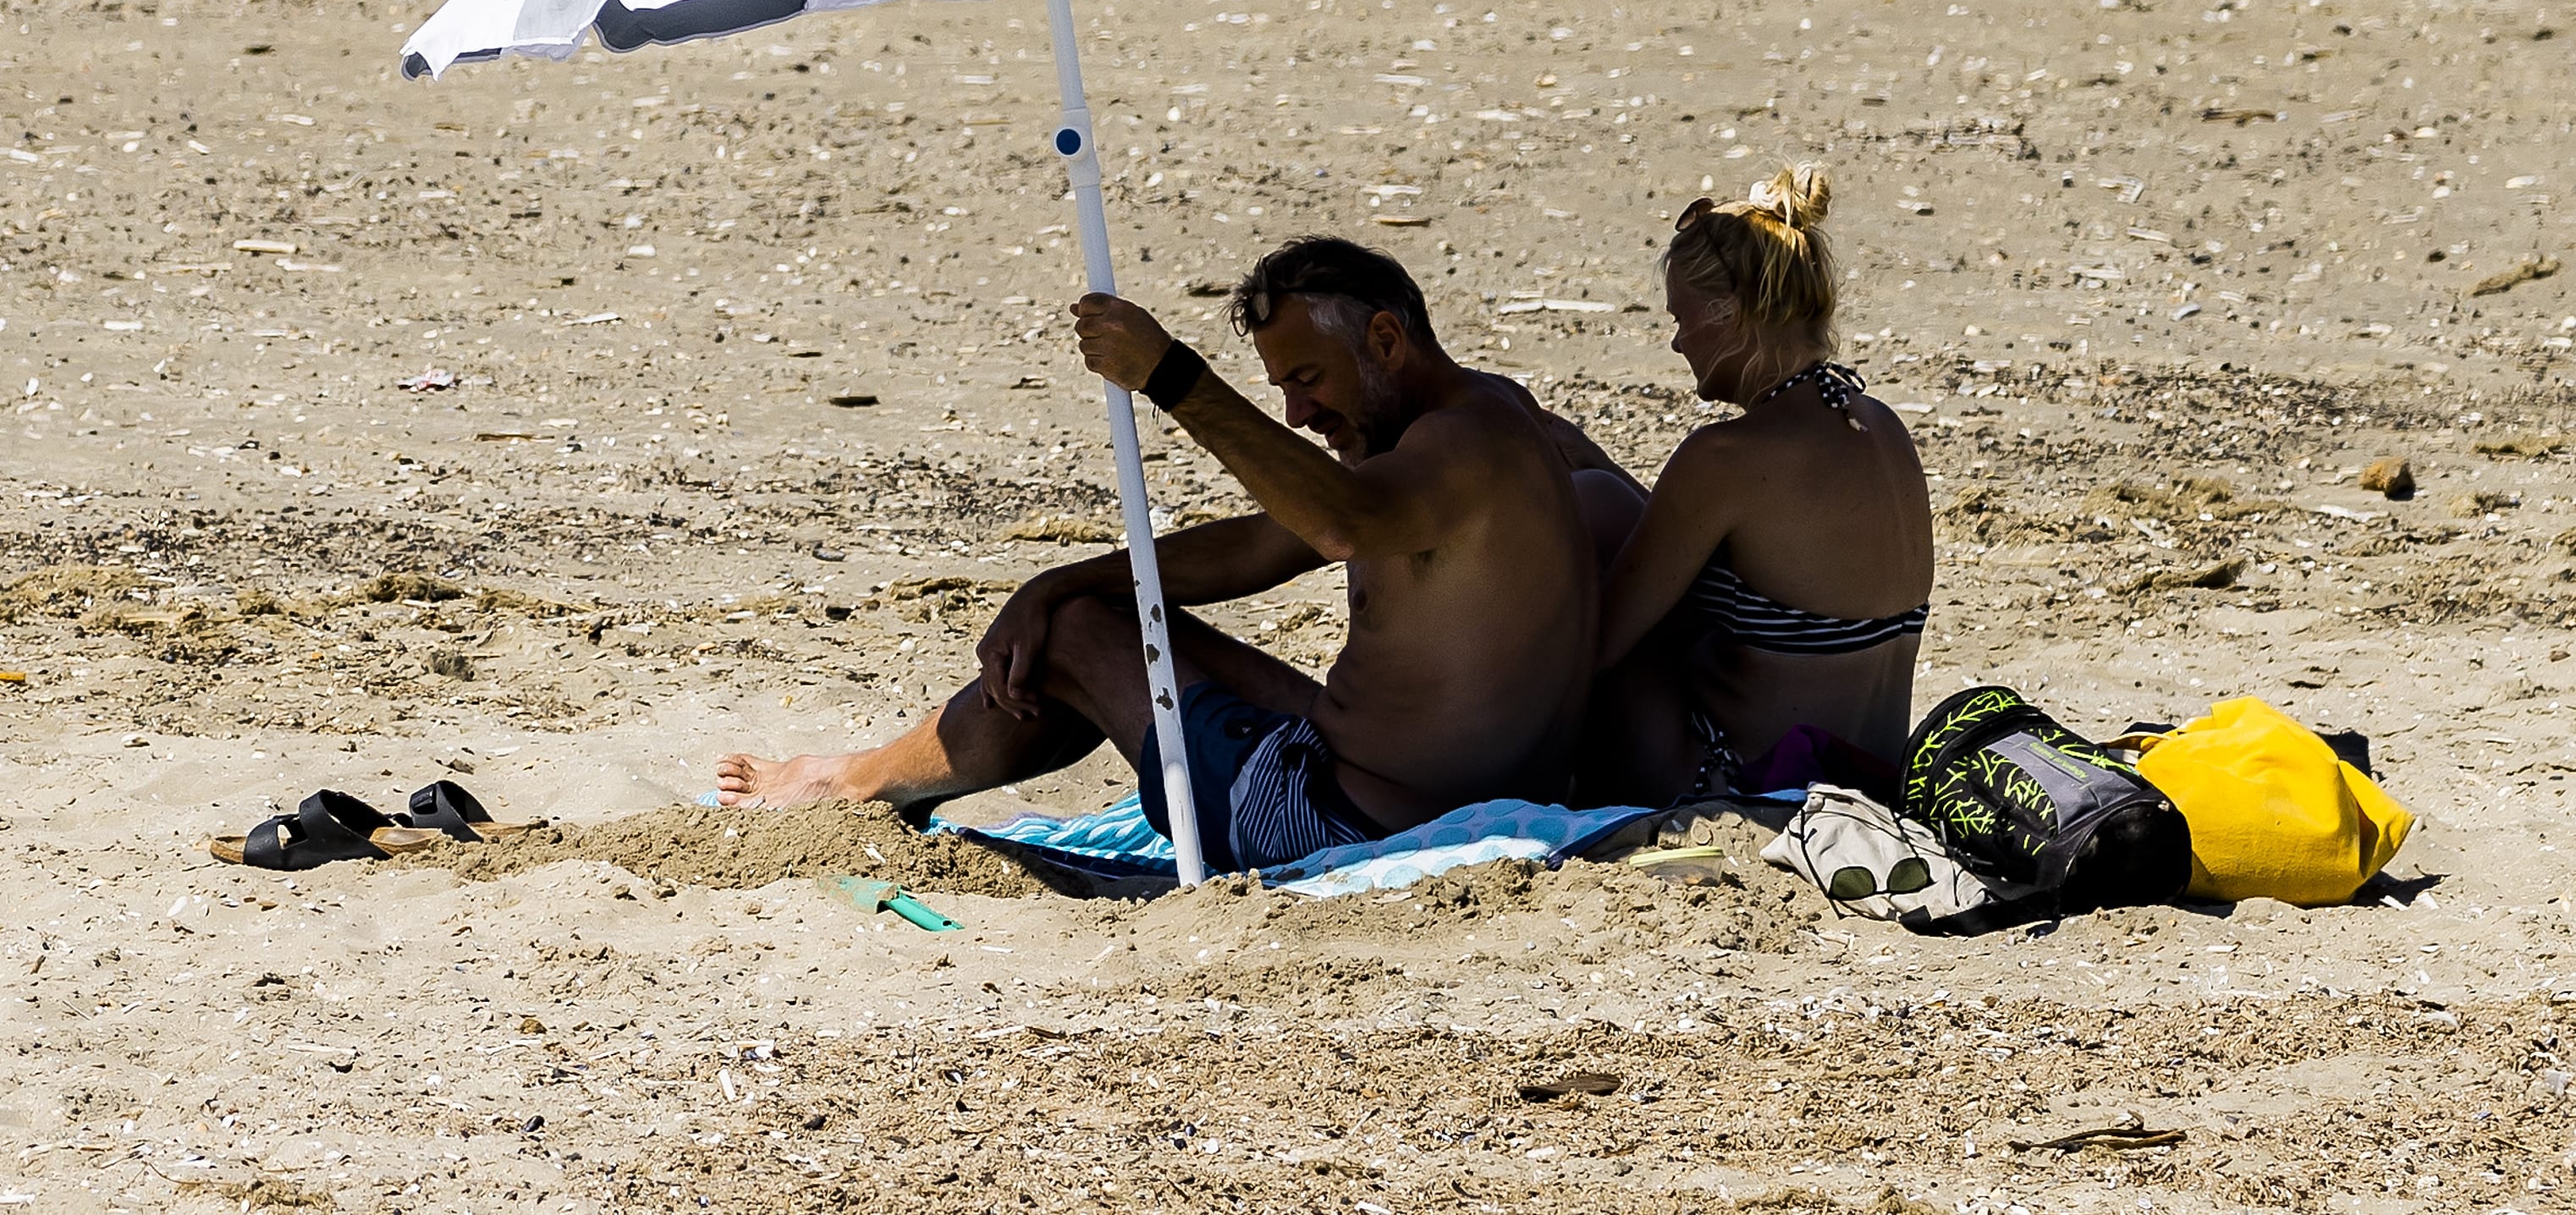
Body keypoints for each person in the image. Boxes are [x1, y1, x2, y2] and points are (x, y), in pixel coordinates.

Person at [713, 237, 1632, 871]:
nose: (1297, 415)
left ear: (1386, 339)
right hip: (1406, 774)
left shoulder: (1452, 451)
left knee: (1076, 637)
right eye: (1282, 388)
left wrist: (1170, 376)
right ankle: (890, 766)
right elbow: (1258, 546)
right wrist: (1058, 575)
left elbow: (1335, 523)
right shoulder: (1489, 424)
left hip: (1339, 821)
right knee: (1092, 608)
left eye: (1307, 380)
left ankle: (858, 779)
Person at [1577, 164, 1934, 805]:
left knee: (1590, 522)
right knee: (1609, 500)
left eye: (1684, 319)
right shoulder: (1878, 424)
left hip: (1752, 789)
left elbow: (1603, 643)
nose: (1678, 341)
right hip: (1873, 779)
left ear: (1731, 314)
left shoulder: (1723, 460)